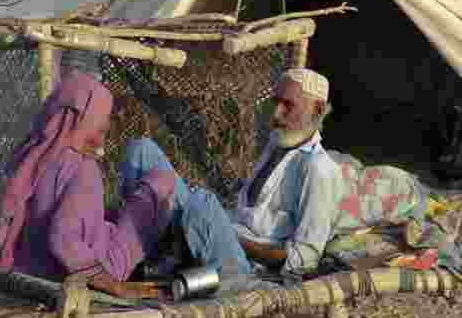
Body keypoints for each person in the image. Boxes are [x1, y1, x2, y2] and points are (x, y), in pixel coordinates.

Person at [0, 67, 211, 298]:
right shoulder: (82, 168)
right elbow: (62, 239)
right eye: (99, 125)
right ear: (86, 120)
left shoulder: (34, 155)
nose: (101, 135)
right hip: (98, 270)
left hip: (36, 269)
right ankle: (190, 251)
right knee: (163, 181)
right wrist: (114, 285)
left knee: (117, 213)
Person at [121, 67, 342, 278]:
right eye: (276, 102)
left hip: (246, 266)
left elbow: (304, 259)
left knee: (202, 200)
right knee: (141, 150)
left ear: (318, 110)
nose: (276, 113)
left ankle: (156, 256)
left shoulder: (319, 169)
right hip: (223, 232)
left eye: (288, 105)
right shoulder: (278, 141)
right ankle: (134, 251)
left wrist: (234, 239)